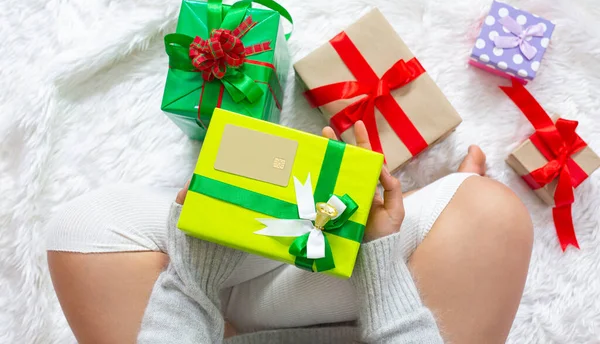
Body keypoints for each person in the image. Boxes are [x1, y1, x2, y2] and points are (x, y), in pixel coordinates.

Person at [46, 121, 533, 343]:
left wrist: (194, 279)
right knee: (490, 214)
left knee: (81, 230)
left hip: (212, 323)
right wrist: (382, 266)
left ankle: (232, 313)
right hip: (371, 326)